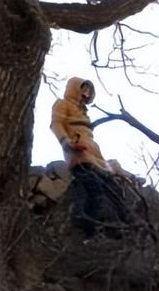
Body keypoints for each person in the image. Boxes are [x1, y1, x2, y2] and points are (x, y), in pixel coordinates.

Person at [51, 77, 131, 238]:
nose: (85, 93)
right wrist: (67, 143)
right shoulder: (62, 104)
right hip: (79, 153)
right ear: (75, 88)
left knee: (112, 188)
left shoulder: (83, 112)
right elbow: (57, 124)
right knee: (94, 189)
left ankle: (125, 225)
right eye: (83, 89)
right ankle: (86, 228)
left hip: (94, 154)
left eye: (88, 90)